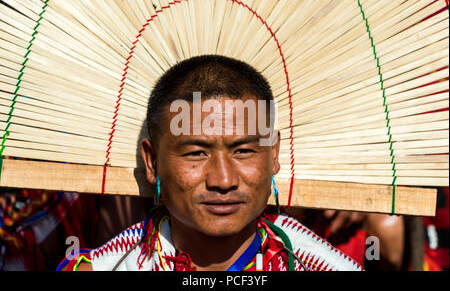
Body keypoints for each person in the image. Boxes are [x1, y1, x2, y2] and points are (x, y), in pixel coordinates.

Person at [57, 55, 362, 271]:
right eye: (196, 153)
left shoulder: (319, 265)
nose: (223, 179)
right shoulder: (104, 267)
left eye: (243, 151)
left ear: (274, 154)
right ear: (152, 162)